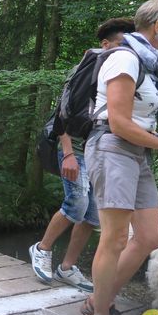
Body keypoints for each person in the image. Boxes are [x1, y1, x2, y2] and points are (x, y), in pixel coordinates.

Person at [81, 0, 158, 315]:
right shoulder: (124, 57)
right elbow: (120, 123)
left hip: (138, 152)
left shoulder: (150, 67)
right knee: (116, 238)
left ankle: (97, 298)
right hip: (112, 147)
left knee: (151, 236)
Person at [29, 18, 136, 292]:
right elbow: (62, 113)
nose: (128, 50)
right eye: (123, 43)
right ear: (106, 44)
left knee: (92, 215)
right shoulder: (86, 70)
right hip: (75, 148)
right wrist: (67, 154)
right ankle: (41, 249)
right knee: (76, 203)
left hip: (100, 150)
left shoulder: (122, 74)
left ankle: (67, 268)